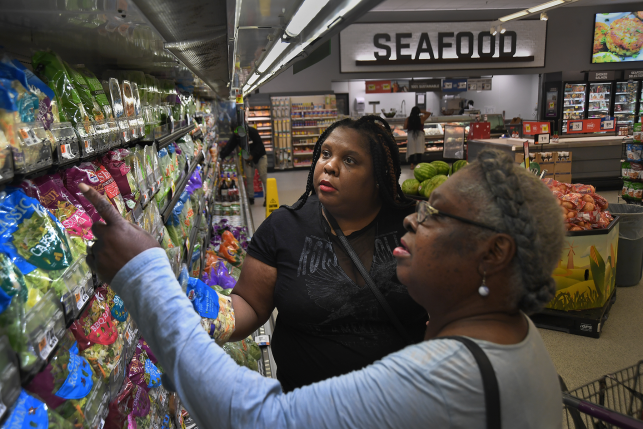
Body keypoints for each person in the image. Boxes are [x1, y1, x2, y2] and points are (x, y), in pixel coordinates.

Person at [79, 148, 565, 428]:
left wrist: (145, 272)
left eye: (437, 213)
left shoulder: (450, 373)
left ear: (494, 254)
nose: (413, 220)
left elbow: (258, 420)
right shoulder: (515, 334)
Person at [229, 115, 427, 392]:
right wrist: (211, 319)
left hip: (400, 404)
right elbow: (250, 303)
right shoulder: (284, 226)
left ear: (379, 176)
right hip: (305, 407)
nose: (329, 166)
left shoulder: (413, 226)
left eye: (349, 160)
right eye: (325, 153)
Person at [219, 120, 268, 206]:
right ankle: (251, 198)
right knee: (249, 178)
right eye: (234, 131)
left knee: (263, 177)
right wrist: (220, 157)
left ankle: (268, 197)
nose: (236, 133)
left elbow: (259, 145)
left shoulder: (252, 132)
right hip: (248, 160)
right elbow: (229, 147)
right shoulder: (236, 136)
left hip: (260, 157)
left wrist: (252, 155)